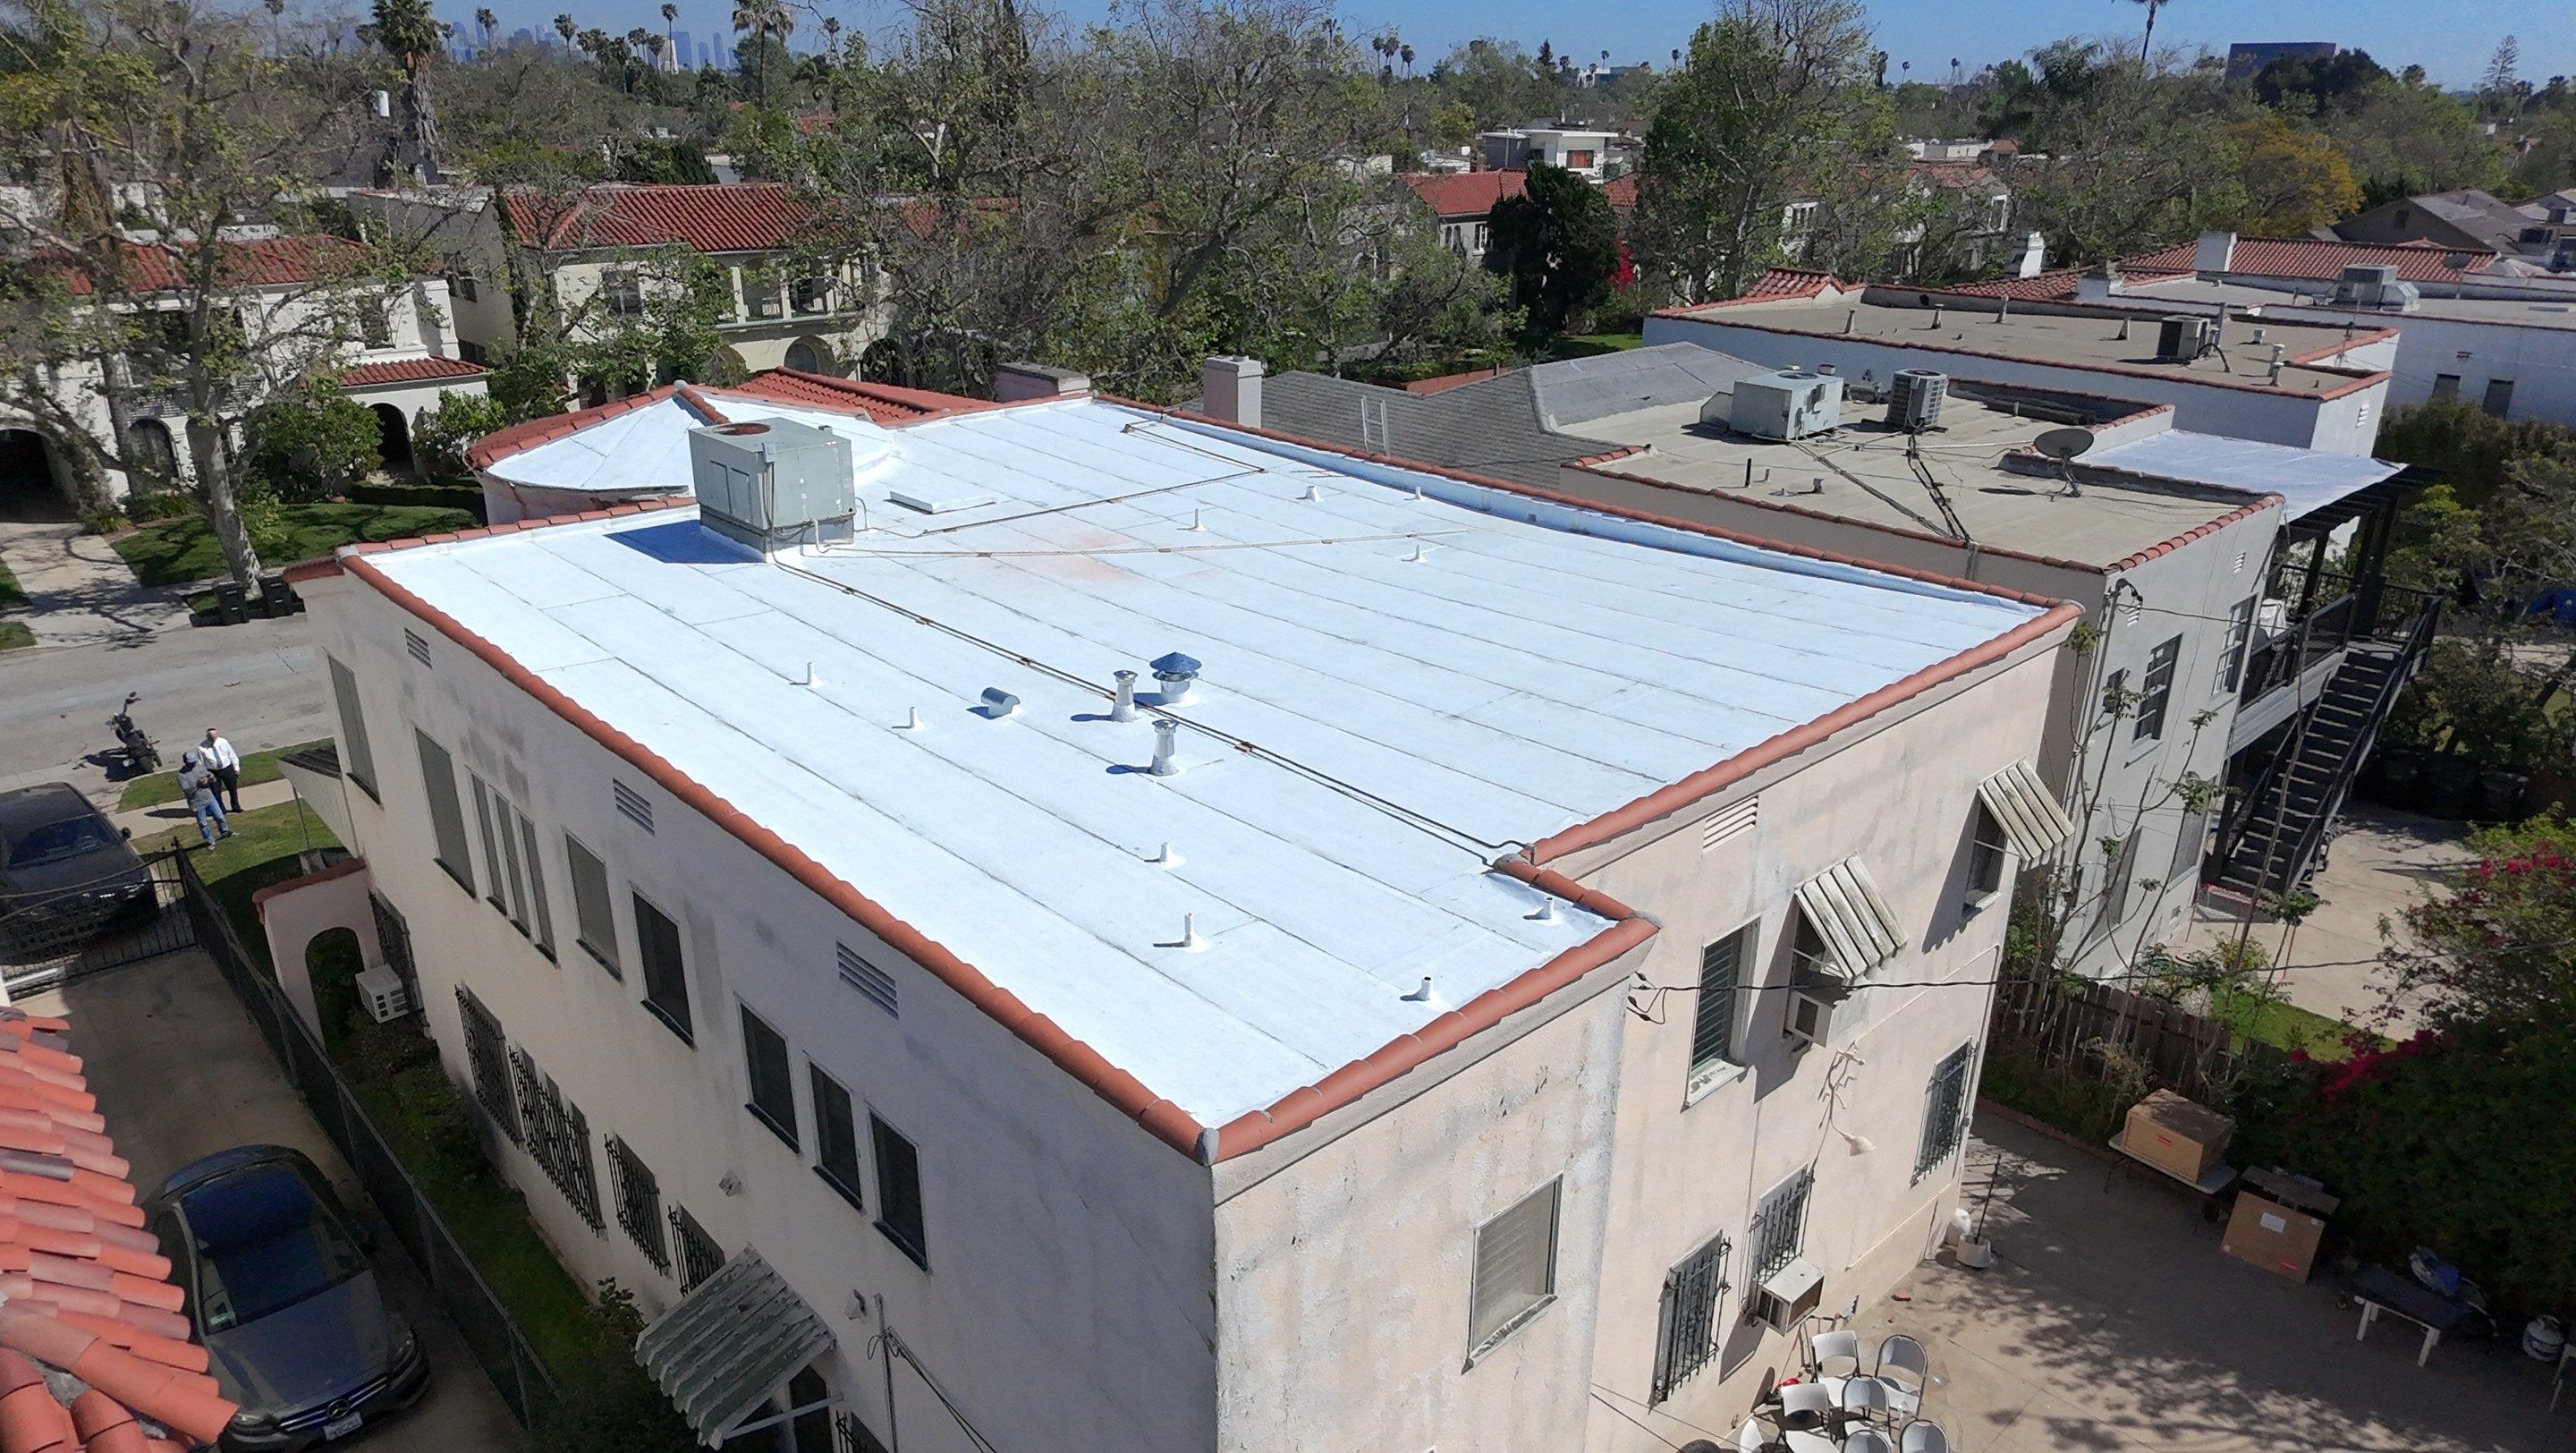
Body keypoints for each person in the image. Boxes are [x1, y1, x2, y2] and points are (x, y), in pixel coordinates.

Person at [177, 751, 232, 848]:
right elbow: (186, 790)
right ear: (185, 762)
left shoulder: (200, 767)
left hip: (209, 797)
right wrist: (198, 784)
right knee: (203, 823)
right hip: (197, 802)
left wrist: (211, 777)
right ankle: (209, 840)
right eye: (190, 763)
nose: (193, 764)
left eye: (194, 762)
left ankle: (225, 831)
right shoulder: (181, 775)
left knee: (220, 817)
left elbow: (211, 777)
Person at [200, 726, 243, 812]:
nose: (214, 738)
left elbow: (232, 754)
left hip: (227, 768)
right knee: (216, 792)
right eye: (212, 737)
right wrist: (206, 774)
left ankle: (236, 807)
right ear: (207, 737)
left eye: (215, 736)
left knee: (232, 789)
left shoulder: (223, 742)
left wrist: (236, 767)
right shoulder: (202, 748)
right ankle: (221, 809)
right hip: (213, 772)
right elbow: (201, 763)